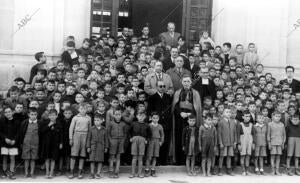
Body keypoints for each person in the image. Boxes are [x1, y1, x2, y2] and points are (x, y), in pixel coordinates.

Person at [170, 75, 202, 165]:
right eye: (184, 81)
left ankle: (190, 160)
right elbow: (175, 105)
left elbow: (197, 107)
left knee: (190, 139)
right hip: (180, 118)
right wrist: (180, 113)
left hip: (191, 119)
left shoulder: (195, 93)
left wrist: (190, 113)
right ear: (181, 82)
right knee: (180, 138)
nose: (186, 83)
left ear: (191, 82)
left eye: (188, 81)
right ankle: (179, 160)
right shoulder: (177, 92)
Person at [147, 80, 172, 165]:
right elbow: (149, 111)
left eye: (164, 86)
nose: (162, 88)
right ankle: (155, 162)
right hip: (156, 124)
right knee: (155, 143)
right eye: (160, 86)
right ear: (156, 87)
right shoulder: (152, 97)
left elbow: (171, 110)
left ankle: (163, 161)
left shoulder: (168, 97)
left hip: (166, 124)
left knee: (164, 142)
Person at [68, 104, 91, 179]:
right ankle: (71, 171)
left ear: (86, 109)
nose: (83, 110)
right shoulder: (75, 117)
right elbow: (71, 128)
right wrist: (71, 138)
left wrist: (88, 140)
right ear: (78, 110)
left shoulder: (89, 118)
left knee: (82, 154)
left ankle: (80, 171)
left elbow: (90, 130)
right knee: (74, 154)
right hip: (76, 135)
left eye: (84, 108)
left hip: (85, 135)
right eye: (81, 108)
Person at [40, 109, 63, 179]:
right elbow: (41, 131)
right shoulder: (45, 122)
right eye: (51, 115)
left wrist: (61, 143)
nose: (52, 117)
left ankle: (51, 172)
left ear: (56, 116)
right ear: (48, 116)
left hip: (55, 144)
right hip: (47, 144)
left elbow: (61, 134)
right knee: (47, 158)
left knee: (53, 159)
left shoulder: (59, 123)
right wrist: (48, 126)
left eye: (54, 115)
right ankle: (47, 172)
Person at [19, 108, 41, 178]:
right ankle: (26, 172)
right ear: (28, 115)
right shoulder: (24, 123)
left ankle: (32, 173)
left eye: (35, 114)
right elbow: (21, 133)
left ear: (37, 115)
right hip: (26, 143)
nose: (33, 116)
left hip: (35, 143)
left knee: (33, 159)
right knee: (26, 159)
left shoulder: (39, 123)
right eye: (32, 114)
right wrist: (21, 143)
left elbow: (41, 134)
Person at [128, 112, 151, 178]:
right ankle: (132, 173)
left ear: (145, 117)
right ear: (137, 116)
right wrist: (130, 138)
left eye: (142, 116)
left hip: (142, 140)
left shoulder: (147, 125)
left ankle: (139, 173)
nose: (141, 117)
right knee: (134, 157)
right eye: (139, 116)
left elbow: (150, 134)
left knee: (140, 157)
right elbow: (129, 131)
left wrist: (146, 139)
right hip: (135, 139)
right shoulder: (133, 123)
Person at [106, 108, 127, 178]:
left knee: (118, 156)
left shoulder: (123, 124)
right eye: (116, 114)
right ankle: (111, 170)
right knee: (112, 156)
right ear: (113, 115)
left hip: (121, 141)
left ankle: (117, 171)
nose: (118, 116)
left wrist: (123, 140)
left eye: (119, 114)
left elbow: (125, 134)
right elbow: (108, 133)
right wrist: (110, 140)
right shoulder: (111, 123)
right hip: (113, 140)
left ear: (121, 115)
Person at [86, 114, 108, 179]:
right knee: (92, 160)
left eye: (98, 120)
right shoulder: (91, 129)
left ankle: (98, 173)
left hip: (101, 146)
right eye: (95, 120)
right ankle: (92, 173)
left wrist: (106, 147)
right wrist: (88, 147)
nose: (96, 122)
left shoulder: (104, 129)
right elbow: (88, 138)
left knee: (100, 160)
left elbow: (106, 139)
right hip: (93, 146)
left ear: (101, 121)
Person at [217, 107, 237, 176]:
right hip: (224, 142)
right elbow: (219, 133)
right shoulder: (221, 122)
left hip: (231, 142)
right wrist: (220, 143)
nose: (228, 113)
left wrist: (235, 141)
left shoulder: (233, 121)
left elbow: (235, 132)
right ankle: (220, 170)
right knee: (222, 156)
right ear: (223, 113)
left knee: (229, 156)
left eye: (229, 112)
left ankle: (229, 169)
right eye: (227, 112)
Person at [0, 107, 18, 179]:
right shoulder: (1, 121)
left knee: (12, 157)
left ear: (12, 112)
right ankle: (4, 171)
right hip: (4, 142)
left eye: (9, 111)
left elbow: (18, 133)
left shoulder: (16, 122)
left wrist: (14, 140)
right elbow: (0, 132)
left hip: (13, 143)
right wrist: (5, 138)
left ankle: (11, 171)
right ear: (4, 114)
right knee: (4, 157)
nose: (8, 113)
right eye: (6, 112)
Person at [145, 112, 164, 177]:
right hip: (150, 141)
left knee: (155, 156)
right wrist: (146, 141)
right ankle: (147, 169)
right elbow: (146, 134)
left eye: (156, 118)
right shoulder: (149, 125)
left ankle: (153, 169)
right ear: (151, 118)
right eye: (154, 118)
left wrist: (161, 141)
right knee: (149, 156)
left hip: (157, 141)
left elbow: (162, 135)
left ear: (158, 119)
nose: (155, 119)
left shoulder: (160, 126)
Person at [267, 110, 286, 175]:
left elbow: (284, 135)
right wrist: (269, 143)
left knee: (278, 157)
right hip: (273, 143)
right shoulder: (270, 124)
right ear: (273, 116)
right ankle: (272, 170)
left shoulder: (282, 125)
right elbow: (268, 134)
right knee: (272, 156)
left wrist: (283, 143)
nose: (277, 118)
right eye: (276, 116)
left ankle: (277, 170)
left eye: (279, 116)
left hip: (280, 143)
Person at [239, 110, 253, 176]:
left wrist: (253, 143)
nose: (247, 118)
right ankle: (243, 170)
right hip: (242, 143)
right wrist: (239, 144)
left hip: (249, 143)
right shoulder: (240, 125)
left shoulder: (251, 125)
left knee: (248, 157)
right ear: (243, 117)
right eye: (246, 116)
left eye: (249, 116)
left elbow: (253, 135)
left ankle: (247, 170)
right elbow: (238, 135)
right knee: (242, 157)